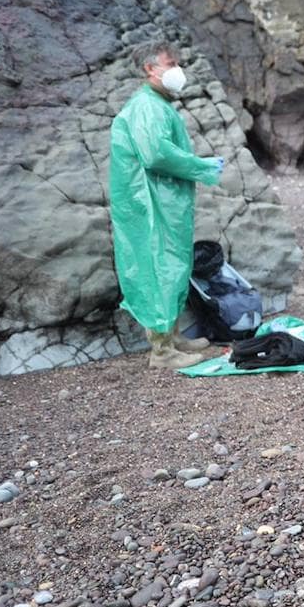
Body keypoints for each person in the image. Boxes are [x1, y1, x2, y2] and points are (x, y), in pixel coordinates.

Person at [108, 41, 224, 370]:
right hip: (150, 204)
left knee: (172, 265)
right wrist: (200, 166)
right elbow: (155, 153)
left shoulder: (157, 103)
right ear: (150, 68)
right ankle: (161, 350)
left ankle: (172, 336)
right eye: (171, 63)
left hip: (161, 201)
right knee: (158, 268)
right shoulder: (147, 106)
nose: (178, 70)